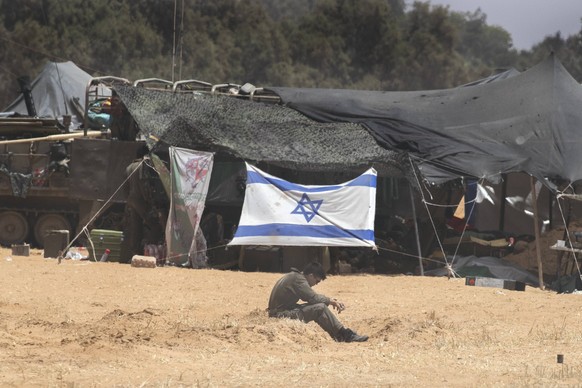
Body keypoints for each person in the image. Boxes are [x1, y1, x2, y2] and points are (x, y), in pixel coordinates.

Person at [268, 261, 368, 343]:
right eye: (317, 281)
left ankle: (339, 334)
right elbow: (313, 298)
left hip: (280, 311)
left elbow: (311, 298)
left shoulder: (294, 276)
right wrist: (331, 301)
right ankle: (345, 335)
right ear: (311, 276)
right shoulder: (298, 279)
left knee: (318, 306)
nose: (315, 284)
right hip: (280, 315)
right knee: (320, 308)